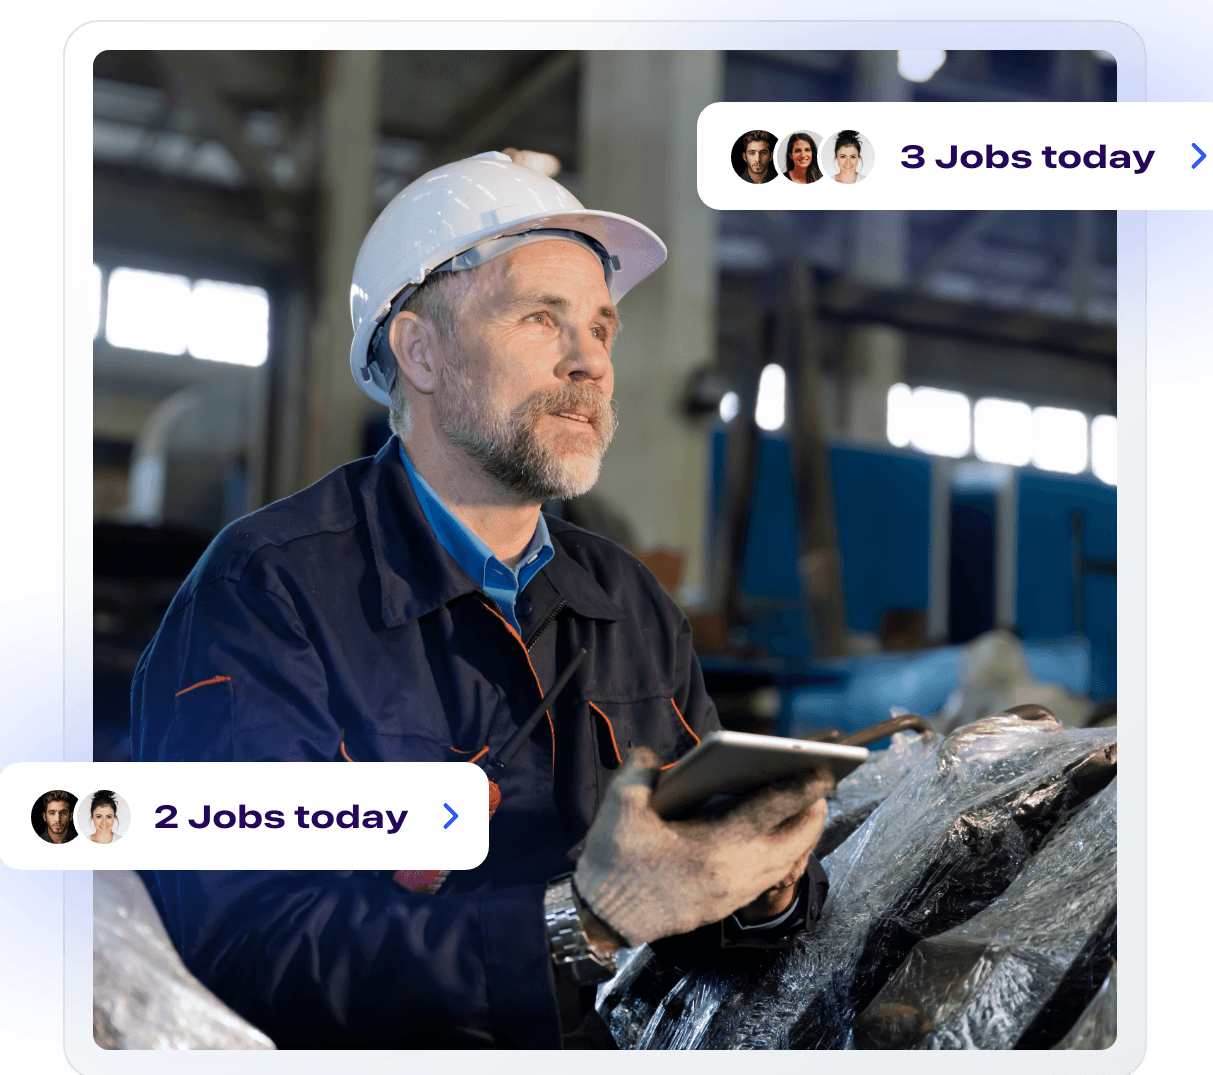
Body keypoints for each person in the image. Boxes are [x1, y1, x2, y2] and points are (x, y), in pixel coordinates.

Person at [132, 152, 832, 1050]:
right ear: (421, 351)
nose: (590, 363)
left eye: (603, 328)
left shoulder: (628, 603)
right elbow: (240, 951)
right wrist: (581, 922)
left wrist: (764, 887)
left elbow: (707, 928)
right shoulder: (266, 595)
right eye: (543, 318)